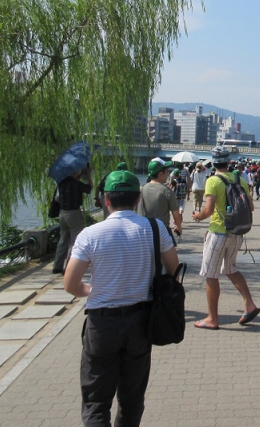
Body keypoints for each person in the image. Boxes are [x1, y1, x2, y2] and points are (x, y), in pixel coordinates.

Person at [64, 169, 179, 426]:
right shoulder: (155, 228)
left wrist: (90, 291)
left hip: (101, 324)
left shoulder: (90, 234)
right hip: (140, 322)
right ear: (137, 199)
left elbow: (70, 283)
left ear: (106, 200)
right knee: (132, 398)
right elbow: (174, 269)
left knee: (96, 402)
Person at [191, 146, 260, 329]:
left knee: (210, 274)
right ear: (228, 161)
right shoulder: (240, 179)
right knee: (229, 268)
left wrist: (197, 216)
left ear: (213, 162)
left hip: (218, 233)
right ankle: (249, 304)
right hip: (237, 233)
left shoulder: (213, 181)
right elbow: (251, 207)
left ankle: (212, 318)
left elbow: (208, 210)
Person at [52, 165, 93, 274]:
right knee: (75, 240)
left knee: (63, 239)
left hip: (62, 213)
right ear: (74, 172)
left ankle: (57, 266)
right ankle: (68, 267)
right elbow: (89, 189)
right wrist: (88, 175)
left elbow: (73, 180)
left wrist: (79, 175)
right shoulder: (76, 184)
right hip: (73, 213)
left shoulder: (62, 182)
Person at [138, 158, 182, 243]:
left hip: (144, 232)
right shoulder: (167, 191)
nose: (168, 174)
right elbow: (176, 215)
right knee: (170, 256)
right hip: (162, 232)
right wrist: (179, 228)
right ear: (160, 174)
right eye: (167, 172)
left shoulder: (142, 189)